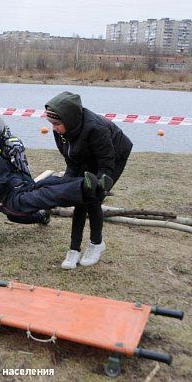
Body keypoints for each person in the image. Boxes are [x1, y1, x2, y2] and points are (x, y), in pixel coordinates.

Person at [0, 153, 106, 261]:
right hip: (17, 182)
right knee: (42, 185)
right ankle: (90, 184)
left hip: (9, 198)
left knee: (38, 199)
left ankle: (85, 189)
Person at [45, 91, 132, 269]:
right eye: (51, 123)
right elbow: (71, 160)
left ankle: (96, 244)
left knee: (92, 198)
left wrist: (98, 186)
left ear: (69, 119)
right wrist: (68, 185)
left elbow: (106, 164)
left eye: (57, 124)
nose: (54, 127)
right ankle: (74, 249)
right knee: (79, 197)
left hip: (113, 156)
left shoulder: (96, 128)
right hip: (87, 155)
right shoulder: (60, 131)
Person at [0, 111, 49, 246]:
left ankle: (41, 216)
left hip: (11, 184)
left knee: (13, 215)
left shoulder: (14, 145)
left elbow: (23, 173)